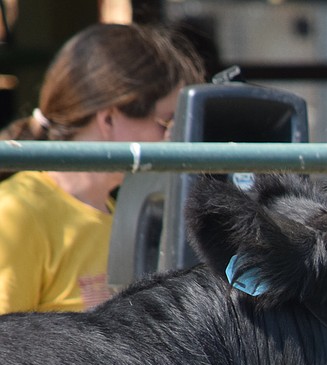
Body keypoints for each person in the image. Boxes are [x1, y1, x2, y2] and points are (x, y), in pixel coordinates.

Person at [0, 22, 203, 315]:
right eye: (166, 123)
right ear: (108, 119)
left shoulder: (121, 214)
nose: (171, 138)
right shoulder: (17, 213)